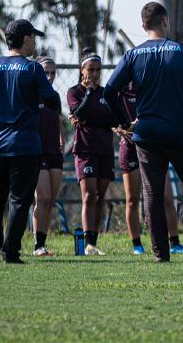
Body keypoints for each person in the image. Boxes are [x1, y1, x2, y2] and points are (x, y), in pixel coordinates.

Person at [102, 1, 183, 263]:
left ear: (143, 26)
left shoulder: (132, 55)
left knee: (152, 194)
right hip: (181, 132)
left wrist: (124, 121)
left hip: (147, 135)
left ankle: (161, 254)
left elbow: (109, 91)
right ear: (165, 21)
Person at [0, 19, 59, 264]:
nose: (35, 41)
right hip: (25, 144)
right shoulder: (33, 69)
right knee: (19, 200)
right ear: (25, 39)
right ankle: (10, 252)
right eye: (33, 37)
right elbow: (52, 101)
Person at [116, 83, 183, 255]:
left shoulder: (152, 88)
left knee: (166, 197)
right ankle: (137, 245)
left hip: (152, 149)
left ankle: (175, 243)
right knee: (132, 199)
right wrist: (120, 128)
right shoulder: (118, 92)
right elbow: (111, 120)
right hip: (130, 149)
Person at [67, 50, 118, 256]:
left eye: (98, 70)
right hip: (85, 149)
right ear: (82, 71)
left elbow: (113, 119)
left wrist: (91, 119)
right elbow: (79, 112)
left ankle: (94, 242)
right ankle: (87, 243)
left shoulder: (107, 94)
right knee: (88, 195)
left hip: (105, 149)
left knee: (100, 196)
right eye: (91, 69)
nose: (95, 73)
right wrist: (88, 94)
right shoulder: (74, 92)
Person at [32, 57, 63, 257]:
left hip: (54, 152)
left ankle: (43, 243)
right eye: (46, 72)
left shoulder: (55, 97)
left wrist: (60, 139)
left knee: (51, 198)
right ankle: (36, 244)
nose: (49, 77)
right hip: (37, 151)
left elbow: (58, 121)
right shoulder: (30, 95)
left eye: (53, 73)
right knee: (41, 197)